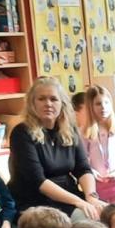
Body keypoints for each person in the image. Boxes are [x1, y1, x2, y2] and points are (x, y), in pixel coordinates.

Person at [8, 76, 102, 220]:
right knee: (87, 220)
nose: (48, 104)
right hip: (36, 201)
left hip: (68, 196)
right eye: (41, 99)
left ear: (62, 104)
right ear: (32, 103)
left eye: (53, 99)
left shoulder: (70, 130)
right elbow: (38, 181)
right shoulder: (22, 133)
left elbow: (83, 169)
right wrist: (79, 202)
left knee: (110, 215)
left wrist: (91, 197)